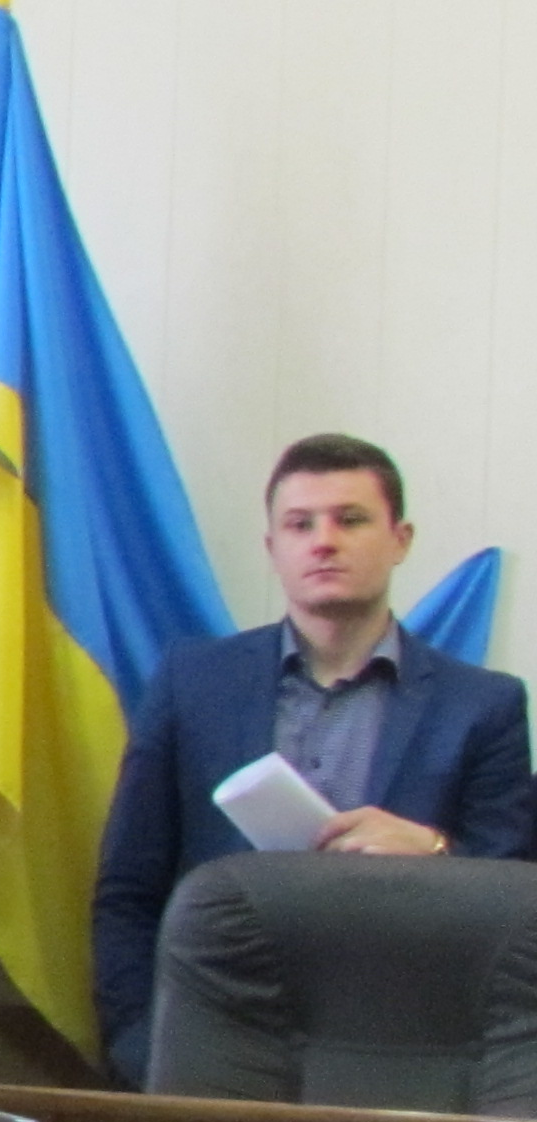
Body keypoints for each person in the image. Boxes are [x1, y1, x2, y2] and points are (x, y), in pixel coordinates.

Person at [91, 434, 537, 1083]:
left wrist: (438, 852)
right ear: (273, 547)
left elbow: (518, 913)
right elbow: (128, 889)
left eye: (350, 520)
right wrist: (139, 1045)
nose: (324, 541)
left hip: (406, 1048)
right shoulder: (192, 684)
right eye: (300, 525)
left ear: (401, 540)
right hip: (210, 1040)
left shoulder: (484, 704)